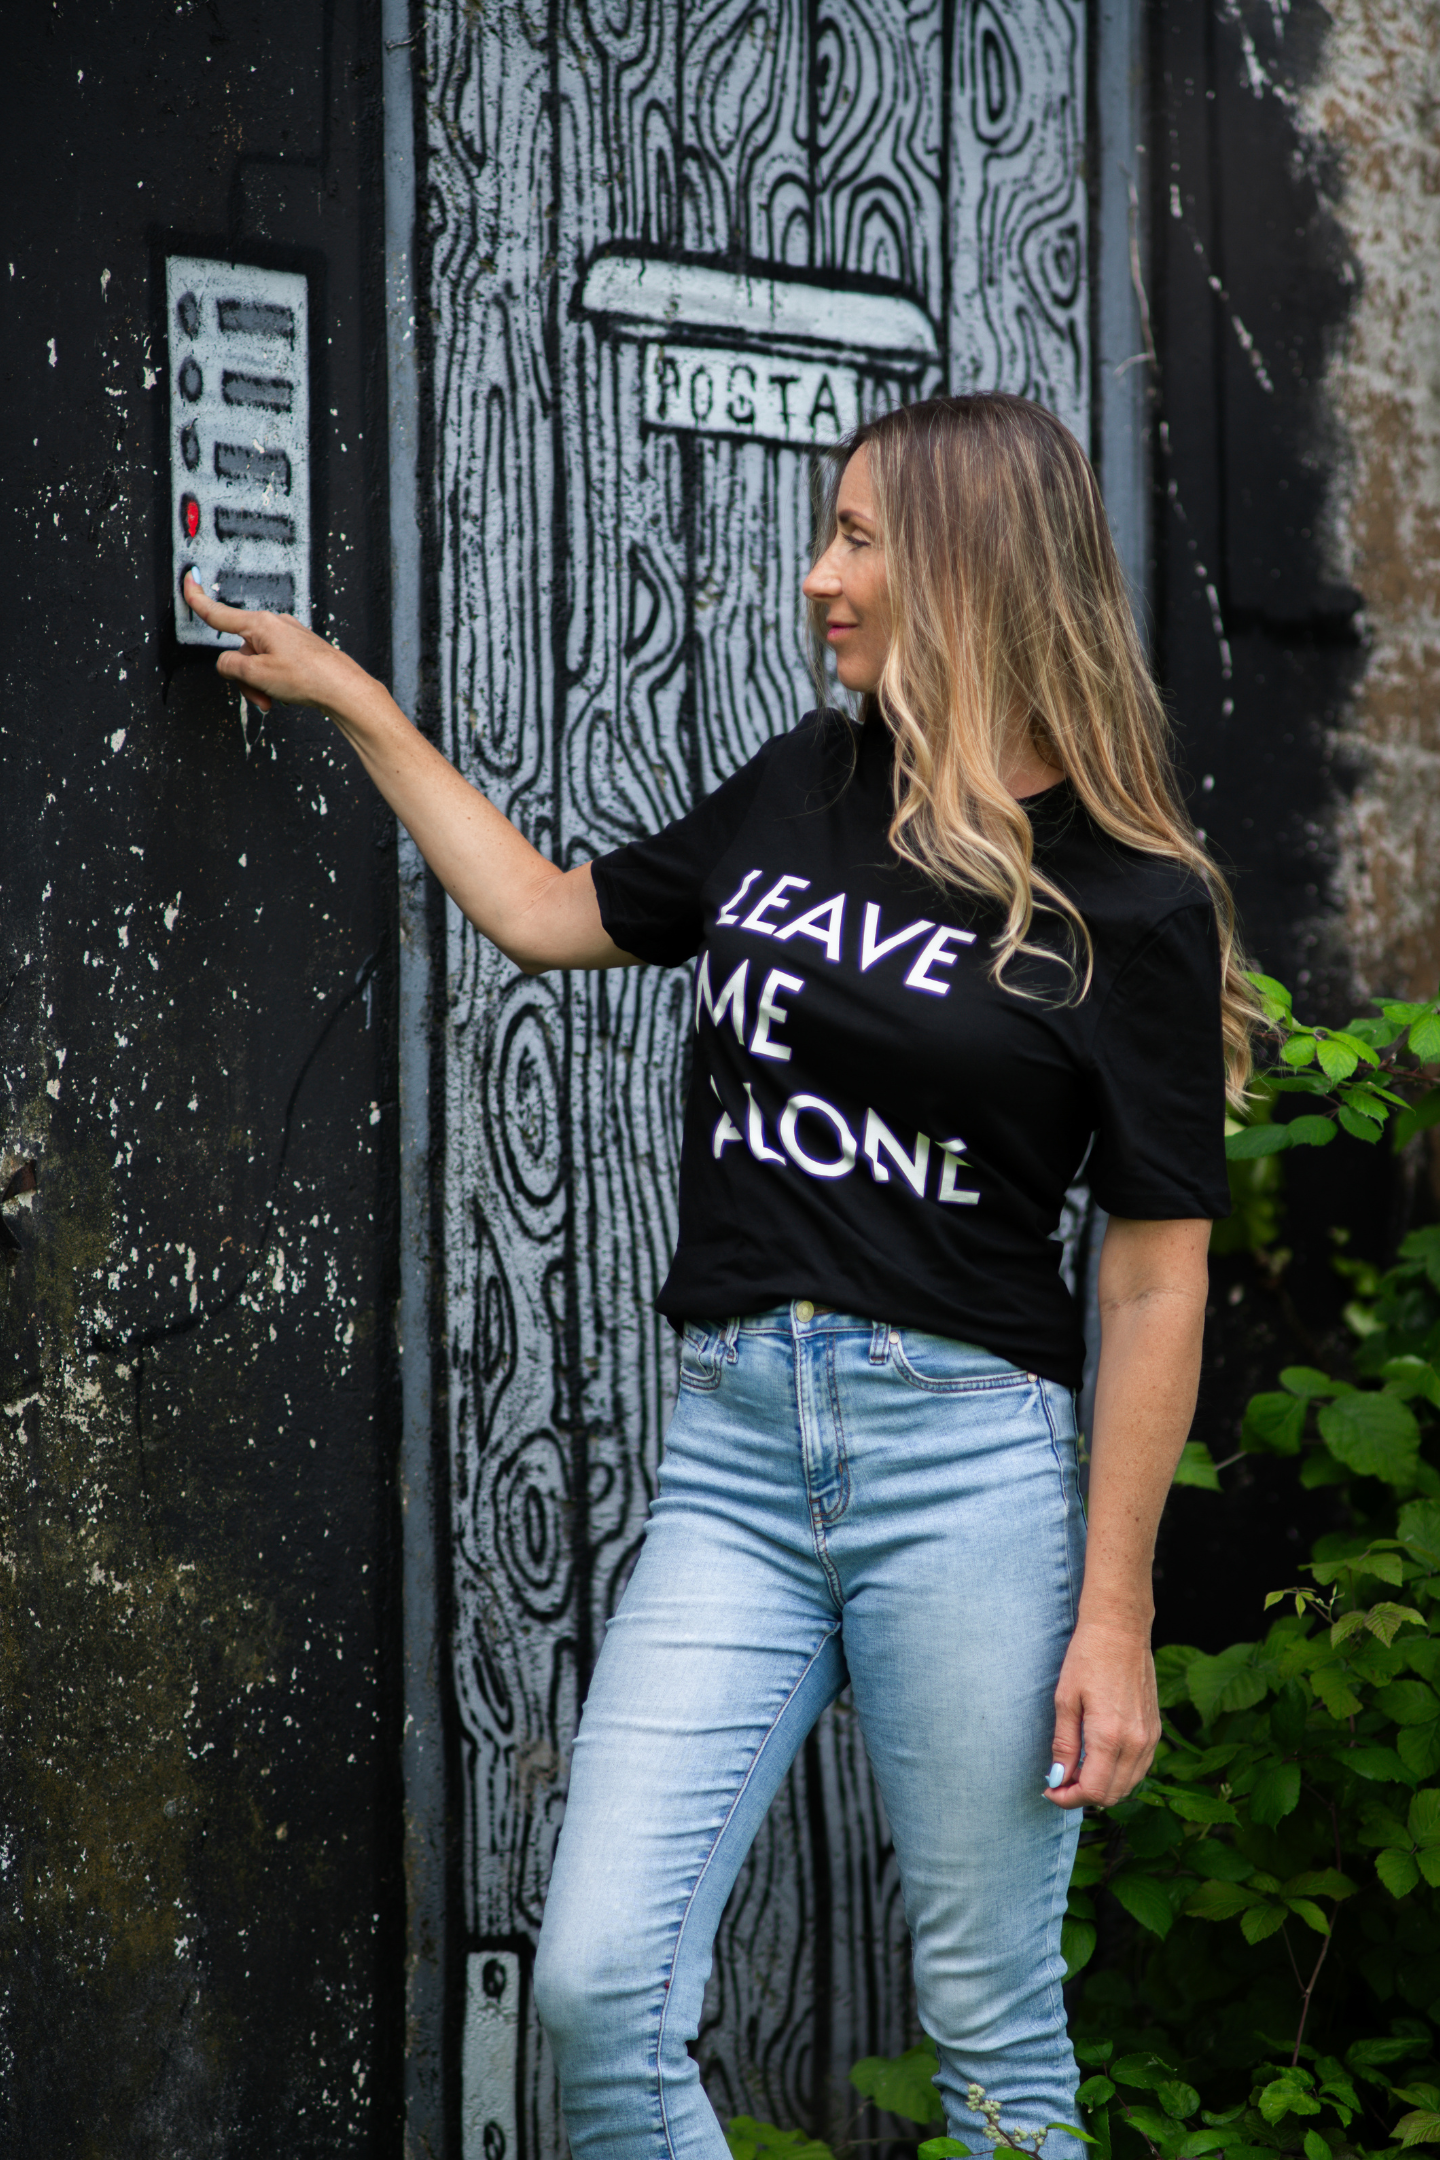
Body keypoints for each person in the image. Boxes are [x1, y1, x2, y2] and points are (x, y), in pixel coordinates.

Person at [183, 391, 1250, 2160]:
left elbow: (1151, 1283)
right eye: (829, 533)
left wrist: (1116, 1612)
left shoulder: (1128, 901)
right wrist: (357, 699)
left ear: (974, 567)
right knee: (599, 1990)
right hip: (740, 1463)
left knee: (991, 2028)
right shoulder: (804, 783)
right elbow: (546, 912)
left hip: (965, 1474)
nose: (818, 575)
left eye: (860, 538)